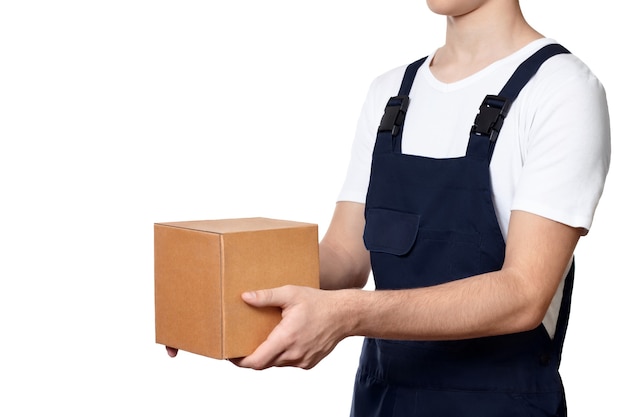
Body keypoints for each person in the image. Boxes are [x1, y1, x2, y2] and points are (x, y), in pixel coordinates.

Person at [168, 0, 611, 415]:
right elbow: (344, 255)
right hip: (381, 400)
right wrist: (219, 295)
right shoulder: (391, 94)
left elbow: (524, 295)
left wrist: (348, 314)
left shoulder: (562, 91)